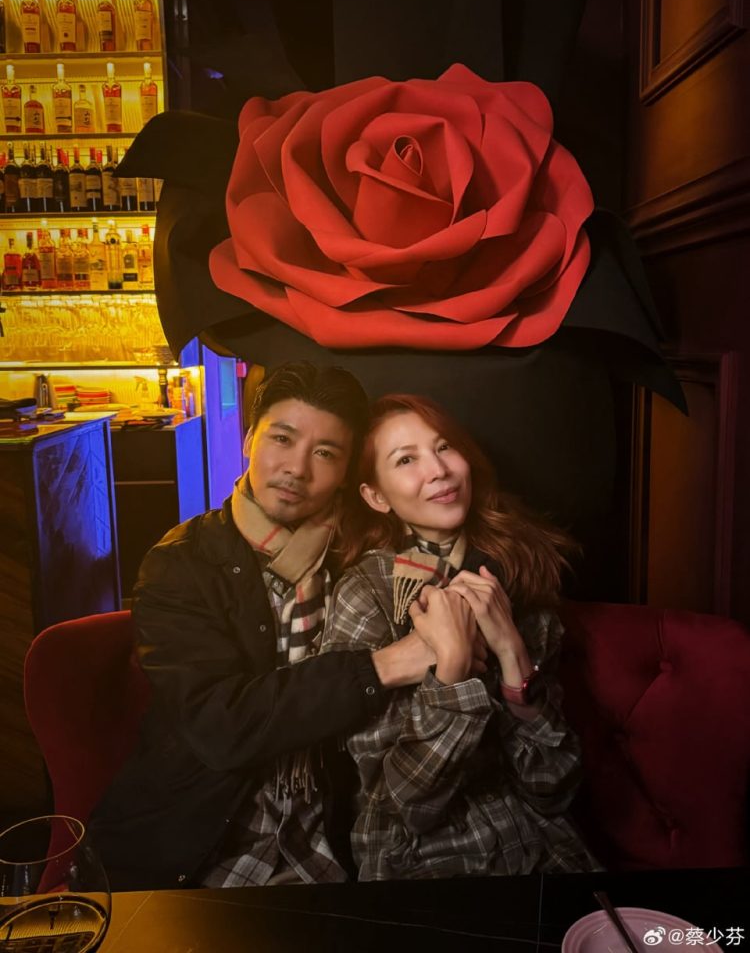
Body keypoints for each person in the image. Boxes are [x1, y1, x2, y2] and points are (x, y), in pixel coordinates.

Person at [87, 363, 444, 891]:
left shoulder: (363, 557)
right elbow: (220, 725)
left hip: (330, 837)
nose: (297, 468)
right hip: (204, 839)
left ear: (348, 472)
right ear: (250, 438)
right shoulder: (180, 564)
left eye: (325, 453)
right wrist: (380, 667)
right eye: (282, 438)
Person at [322, 393, 601, 881]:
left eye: (444, 447)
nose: (439, 470)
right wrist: (451, 671)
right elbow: (403, 807)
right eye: (405, 460)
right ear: (377, 497)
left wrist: (512, 651)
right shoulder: (366, 593)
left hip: (546, 853)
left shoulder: (516, 569)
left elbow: (554, 787)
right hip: (424, 866)